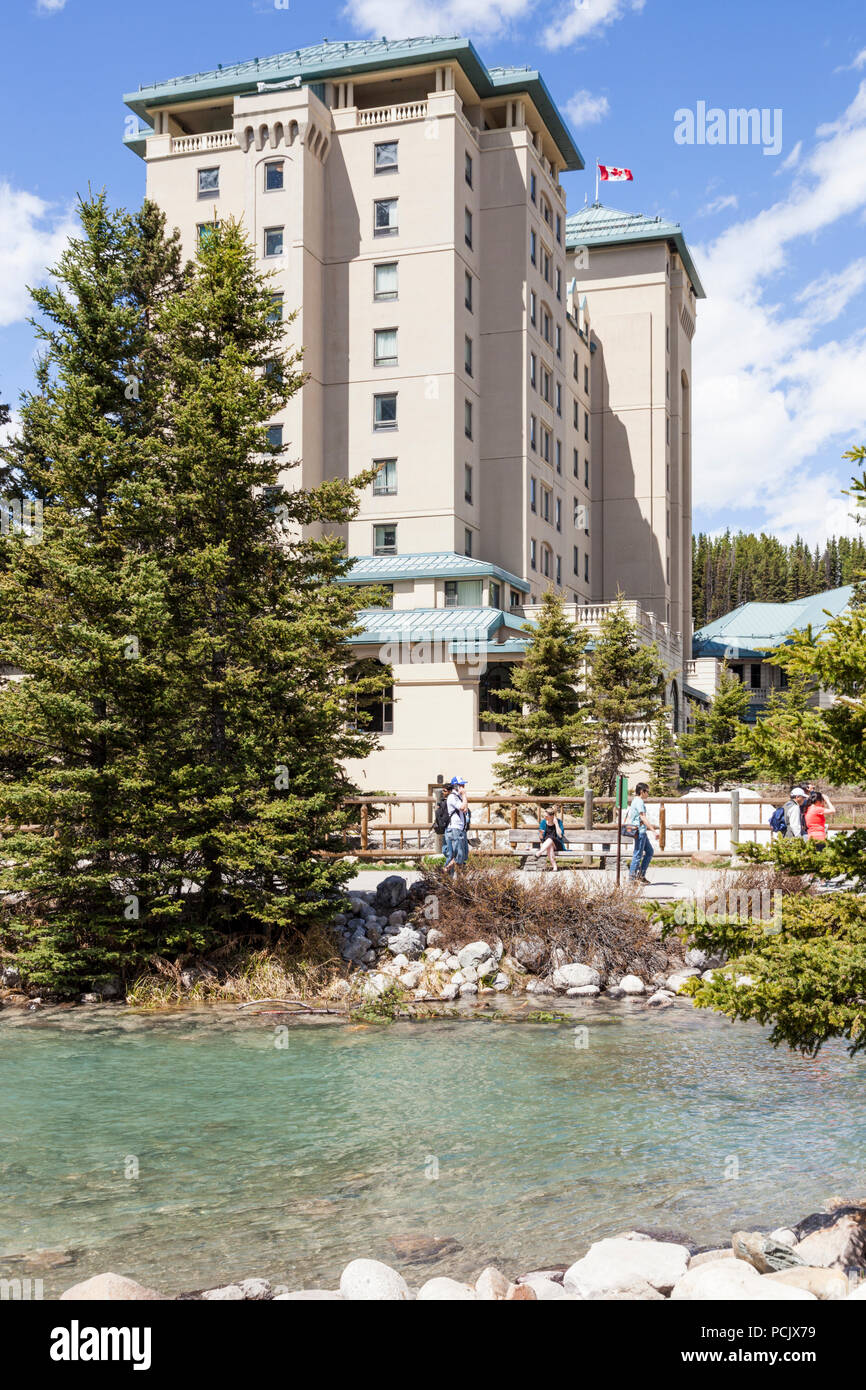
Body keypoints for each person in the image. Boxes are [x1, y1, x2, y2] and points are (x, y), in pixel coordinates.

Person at [625, 782, 657, 883]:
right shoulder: (639, 802)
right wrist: (653, 831)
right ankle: (631, 879)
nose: (648, 794)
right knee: (637, 854)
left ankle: (640, 875)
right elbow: (642, 817)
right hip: (639, 831)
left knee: (650, 852)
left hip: (641, 831)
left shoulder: (636, 801)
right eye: (647, 791)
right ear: (642, 792)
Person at [443, 776, 469, 873]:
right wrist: (464, 795)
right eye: (461, 785)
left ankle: (456, 879)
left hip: (460, 828)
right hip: (455, 829)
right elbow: (463, 808)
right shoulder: (452, 797)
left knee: (463, 855)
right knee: (458, 855)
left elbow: (465, 808)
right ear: (456, 786)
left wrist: (463, 796)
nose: (463, 787)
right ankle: (445, 871)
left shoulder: (458, 797)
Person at [539, 804, 565, 871]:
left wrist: (556, 824)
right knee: (549, 844)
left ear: (551, 816)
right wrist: (541, 834)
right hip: (546, 844)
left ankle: (539, 852)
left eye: (546, 816)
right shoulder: (543, 822)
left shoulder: (558, 822)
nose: (544, 817)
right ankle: (555, 866)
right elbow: (541, 838)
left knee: (550, 838)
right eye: (544, 816)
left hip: (557, 844)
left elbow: (560, 835)